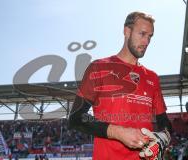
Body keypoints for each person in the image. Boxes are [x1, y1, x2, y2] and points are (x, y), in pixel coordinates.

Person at [69, 11, 172, 160]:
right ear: (127, 31)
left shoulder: (152, 77)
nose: (146, 42)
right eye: (142, 34)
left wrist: (163, 137)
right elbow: (76, 118)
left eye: (150, 37)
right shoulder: (98, 68)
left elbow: (164, 121)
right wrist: (118, 132)